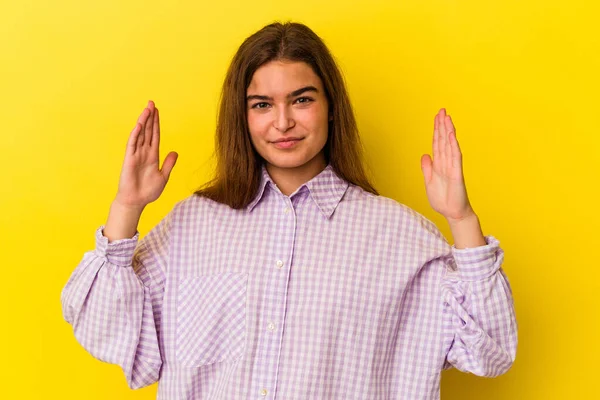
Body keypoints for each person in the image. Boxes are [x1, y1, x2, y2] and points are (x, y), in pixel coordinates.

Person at [61, 21, 517, 400]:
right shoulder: (193, 224)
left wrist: (462, 221)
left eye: (301, 99)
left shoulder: (400, 237)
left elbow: (491, 351)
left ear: (331, 107)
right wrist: (126, 208)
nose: (282, 122)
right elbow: (107, 331)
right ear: (243, 117)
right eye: (262, 105)